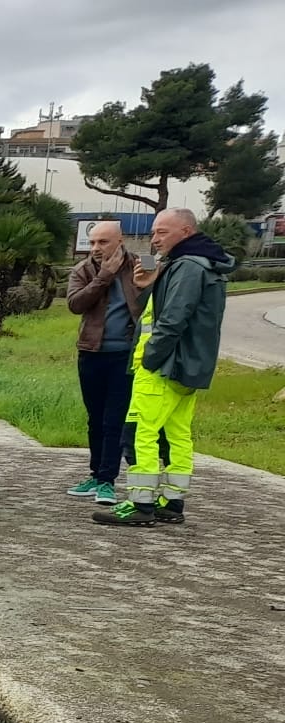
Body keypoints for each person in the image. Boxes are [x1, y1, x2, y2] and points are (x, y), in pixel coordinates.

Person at [93, 208, 233, 528]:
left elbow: (172, 320)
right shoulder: (202, 264)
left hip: (164, 367)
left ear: (185, 232)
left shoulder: (187, 266)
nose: (154, 240)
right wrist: (145, 286)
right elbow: (153, 313)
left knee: (140, 431)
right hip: (189, 367)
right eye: (154, 233)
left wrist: (150, 358)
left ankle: (140, 503)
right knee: (178, 434)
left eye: (162, 232)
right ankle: (171, 501)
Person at [63, 220, 142, 503]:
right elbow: (75, 304)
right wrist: (104, 277)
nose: (96, 248)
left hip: (125, 355)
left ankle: (108, 480)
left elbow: (149, 300)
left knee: (114, 421)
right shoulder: (83, 270)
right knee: (95, 419)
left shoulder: (138, 265)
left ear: (120, 240)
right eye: (92, 242)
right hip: (91, 353)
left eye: (103, 242)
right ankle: (95, 475)